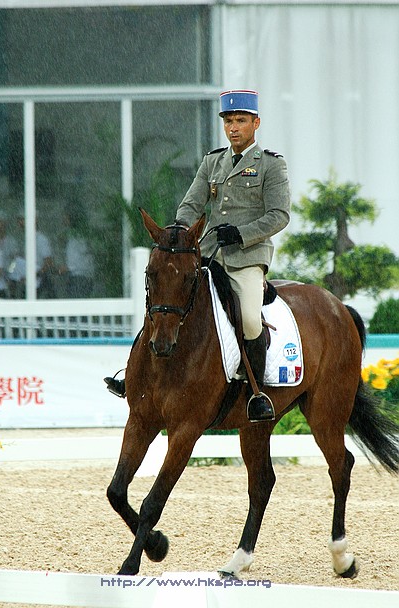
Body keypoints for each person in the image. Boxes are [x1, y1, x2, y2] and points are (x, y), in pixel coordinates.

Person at [105, 89, 291, 422]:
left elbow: (279, 215)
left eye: (241, 121)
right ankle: (135, 376)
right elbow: (191, 203)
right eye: (229, 121)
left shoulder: (271, 165)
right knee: (167, 300)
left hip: (246, 258)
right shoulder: (212, 162)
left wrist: (242, 234)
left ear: (256, 123)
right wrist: (179, 230)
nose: (233, 128)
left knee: (250, 318)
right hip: (208, 253)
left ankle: (255, 392)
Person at [8, 213, 55, 298]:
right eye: (19, 220)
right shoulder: (27, 239)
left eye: (22, 220)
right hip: (28, 282)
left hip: (40, 283)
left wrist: (32, 276)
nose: (20, 223)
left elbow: (48, 263)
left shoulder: (40, 239)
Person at [58, 206, 94, 298]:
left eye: (65, 216)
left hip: (80, 278)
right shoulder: (74, 235)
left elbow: (84, 261)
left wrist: (68, 268)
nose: (63, 218)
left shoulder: (78, 236)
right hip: (77, 278)